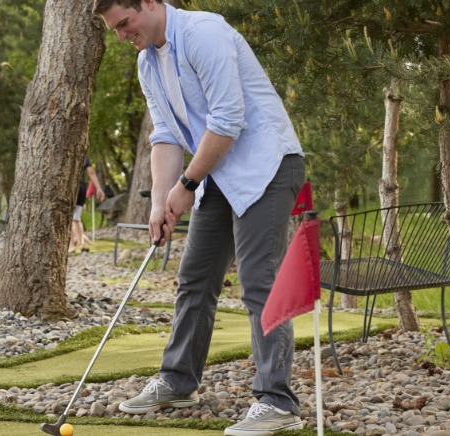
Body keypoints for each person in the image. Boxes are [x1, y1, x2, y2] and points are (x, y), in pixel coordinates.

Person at [95, 1, 307, 434]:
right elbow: (167, 135)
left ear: (150, 3)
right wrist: (160, 201)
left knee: (259, 282)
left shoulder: (204, 34)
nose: (121, 36)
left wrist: (187, 186)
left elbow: (228, 121)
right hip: (218, 173)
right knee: (195, 278)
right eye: (113, 29)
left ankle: (277, 401)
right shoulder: (147, 63)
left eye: (124, 23)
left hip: (266, 165)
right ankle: (177, 381)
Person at [70, 159, 106, 253]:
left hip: (71, 186)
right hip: (82, 187)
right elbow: (91, 172)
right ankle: (82, 244)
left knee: (68, 218)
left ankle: (71, 246)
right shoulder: (84, 154)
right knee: (76, 218)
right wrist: (98, 188)